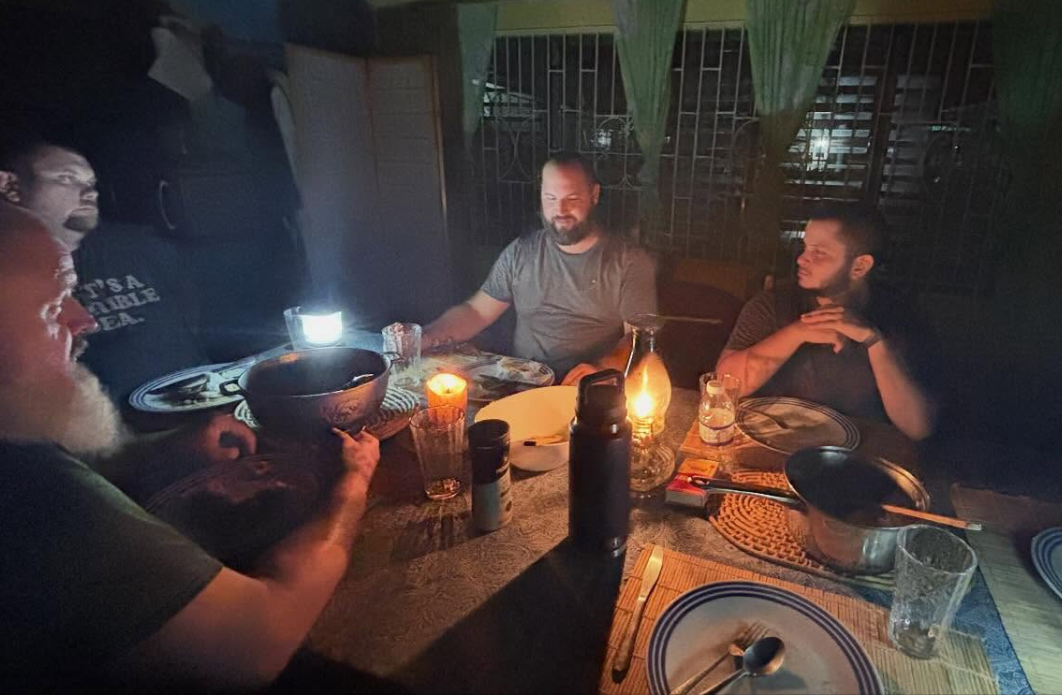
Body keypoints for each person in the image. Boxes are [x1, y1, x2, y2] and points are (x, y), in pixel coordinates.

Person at [0, 203, 381, 689]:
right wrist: (351, 487)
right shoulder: (32, 492)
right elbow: (258, 641)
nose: (86, 320)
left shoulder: (26, 456)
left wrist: (159, 455)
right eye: (53, 308)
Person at [422, 152, 657, 384]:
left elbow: (639, 337)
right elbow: (477, 312)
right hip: (522, 381)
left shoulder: (629, 261)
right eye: (550, 198)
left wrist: (604, 366)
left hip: (587, 385)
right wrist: (427, 336)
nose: (560, 211)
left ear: (594, 194)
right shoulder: (521, 252)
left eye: (572, 199)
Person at [0, 139, 208, 398]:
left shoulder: (141, 246)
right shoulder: (9, 275)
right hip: (105, 429)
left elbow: (192, 309)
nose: (89, 192)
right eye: (66, 178)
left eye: (91, 183)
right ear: (10, 186)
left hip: (198, 398)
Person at [717, 203, 937, 440]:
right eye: (804, 247)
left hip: (856, 452)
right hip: (770, 439)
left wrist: (875, 342)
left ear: (860, 266)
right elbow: (724, 386)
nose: (801, 259)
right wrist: (798, 332)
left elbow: (919, 427)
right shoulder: (774, 303)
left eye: (819, 252)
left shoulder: (898, 316)